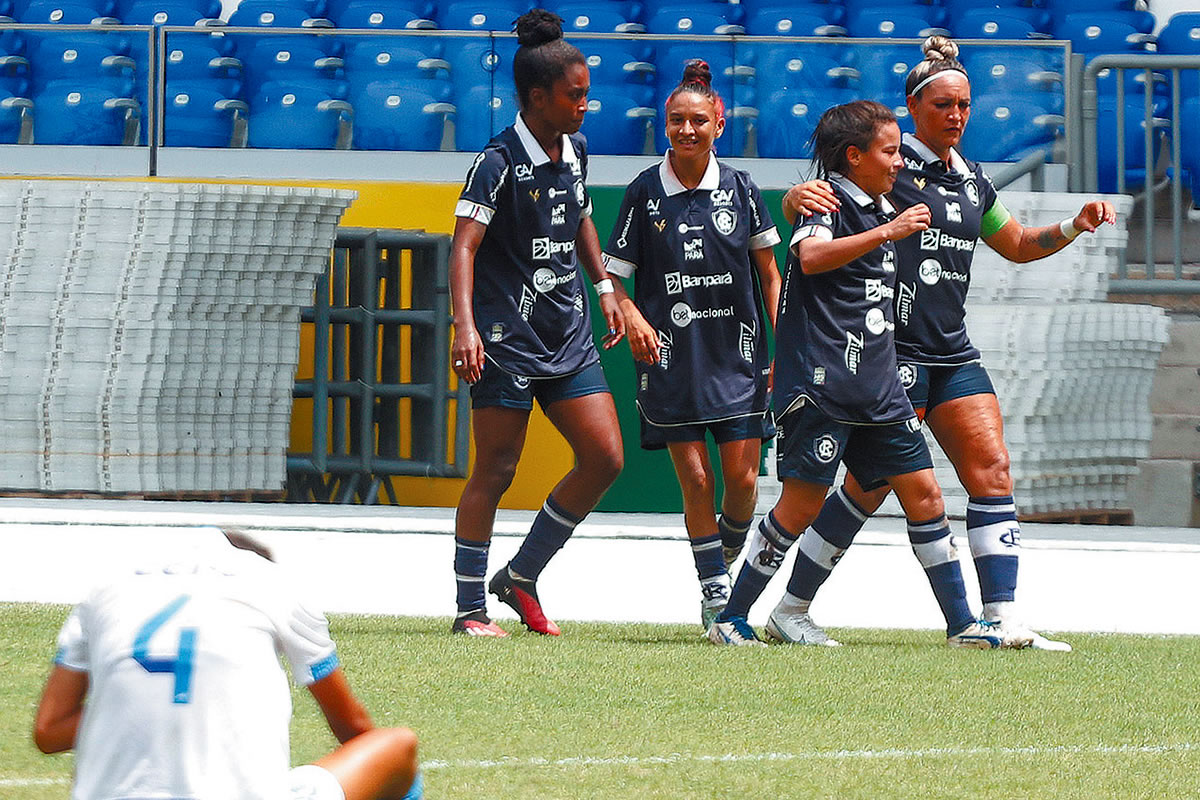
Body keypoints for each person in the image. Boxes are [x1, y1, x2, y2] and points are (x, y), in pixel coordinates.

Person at [777, 36, 1117, 651]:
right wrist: (792, 195)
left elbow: (1017, 244)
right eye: (943, 105)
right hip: (887, 355)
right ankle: (792, 606)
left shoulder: (973, 182)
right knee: (868, 489)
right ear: (913, 108)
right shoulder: (889, 167)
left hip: (952, 353)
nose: (956, 115)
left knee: (993, 469)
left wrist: (1074, 224)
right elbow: (825, 199)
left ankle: (1001, 619)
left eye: (964, 105)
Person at [708, 100, 1005, 649]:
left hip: (879, 386)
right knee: (801, 505)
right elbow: (811, 256)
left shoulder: (881, 203)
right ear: (854, 156)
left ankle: (963, 625)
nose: (899, 161)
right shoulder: (828, 200)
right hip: (824, 383)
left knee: (926, 496)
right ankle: (732, 616)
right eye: (889, 152)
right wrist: (885, 231)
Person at [449, 9, 625, 637]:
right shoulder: (496, 162)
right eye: (575, 95)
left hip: (568, 330)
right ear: (537, 97)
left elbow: (580, 215)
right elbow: (463, 246)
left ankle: (521, 575)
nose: (585, 105)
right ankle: (470, 609)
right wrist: (465, 327)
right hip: (506, 338)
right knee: (496, 470)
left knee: (604, 457)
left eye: (586, 93)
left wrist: (604, 285)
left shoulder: (576, 149)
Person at [33, 527, 423, 800]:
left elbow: (48, 731)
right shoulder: (275, 584)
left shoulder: (105, 587)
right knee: (397, 748)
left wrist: (137, 709)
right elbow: (355, 730)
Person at [601, 60, 782, 629]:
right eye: (676, 120)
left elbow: (770, 275)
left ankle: (723, 551)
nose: (686, 130)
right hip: (670, 358)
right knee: (697, 480)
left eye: (698, 121)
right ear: (665, 124)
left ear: (718, 125)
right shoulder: (643, 191)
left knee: (743, 483)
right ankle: (715, 594)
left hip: (740, 355)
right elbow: (614, 277)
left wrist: (786, 346)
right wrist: (631, 314)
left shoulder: (742, 188)